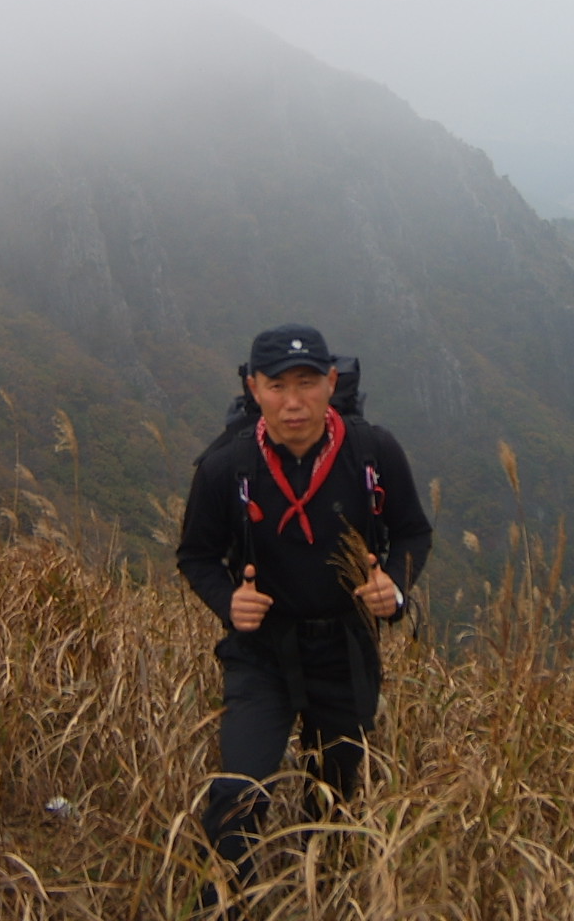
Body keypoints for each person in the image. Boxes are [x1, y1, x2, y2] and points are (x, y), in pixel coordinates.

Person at [177, 322, 433, 896]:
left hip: (346, 649)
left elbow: (413, 531)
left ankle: (327, 894)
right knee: (238, 790)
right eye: (277, 386)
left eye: (307, 383)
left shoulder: (372, 452)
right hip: (261, 652)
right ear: (253, 387)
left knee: (335, 795)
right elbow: (195, 554)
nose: (293, 402)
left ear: (331, 383)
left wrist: (394, 588)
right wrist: (228, 602)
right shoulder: (227, 466)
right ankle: (223, 905)